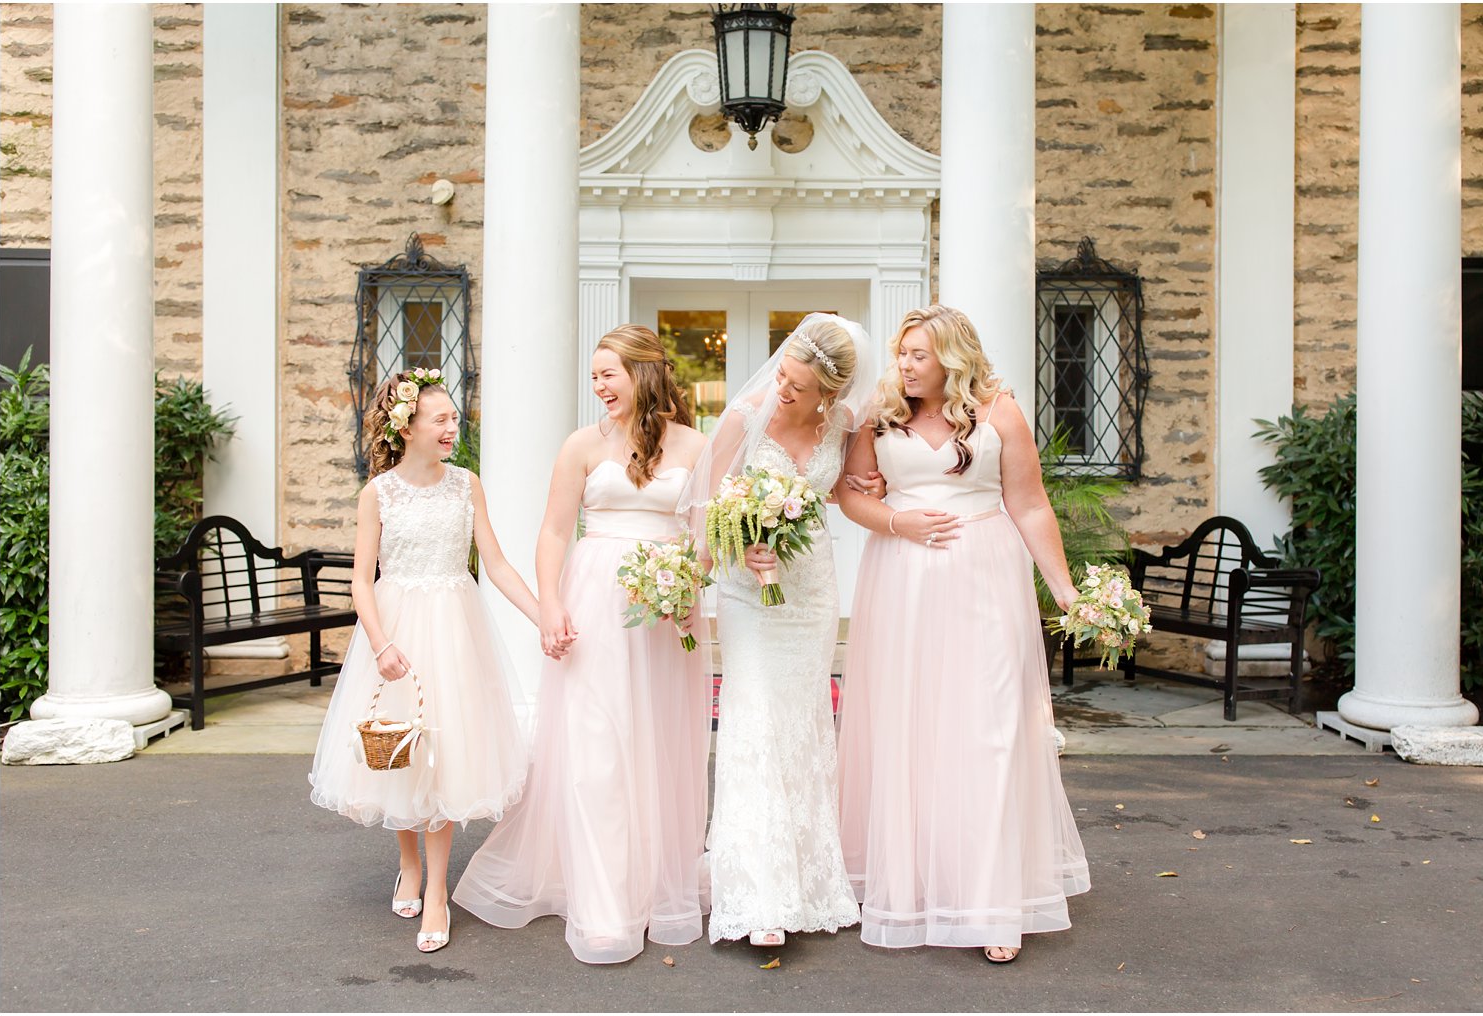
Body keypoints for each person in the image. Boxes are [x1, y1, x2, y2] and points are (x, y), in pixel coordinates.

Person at [835, 305, 1091, 964]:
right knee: (914, 727)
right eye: (902, 354)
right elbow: (849, 494)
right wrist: (898, 522)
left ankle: (993, 900)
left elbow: (1029, 503)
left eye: (918, 354)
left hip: (985, 578)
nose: (906, 365)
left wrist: (1065, 590)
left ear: (952, 356)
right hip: (903, 582)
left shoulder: (999, 411)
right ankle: (915, 881)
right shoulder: (880, 415)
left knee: (992, 727)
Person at [454, 325, 712, 965]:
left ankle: (654, 886)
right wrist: (550, 606)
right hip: (594, 603)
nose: (598, 387)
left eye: (608, 374)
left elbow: (705, 536)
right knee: (597, 750)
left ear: (644, 374)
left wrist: (688, 587)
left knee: (657, 745)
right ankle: (603, 904)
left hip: (664, 610)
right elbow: (551, 534)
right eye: (594, 376)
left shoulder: (698, 447)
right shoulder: (580, 446)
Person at [309, 368, 536, 954]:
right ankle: (407, 860)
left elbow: (497, 563)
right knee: (400, 750)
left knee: (446, 754)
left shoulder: (467, 485)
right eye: (440, 419)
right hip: (396, 628)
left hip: (456, 628)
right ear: (406, 426)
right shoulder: (377, 493)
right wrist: (381, 643)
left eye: (454, 417)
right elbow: (362, 580)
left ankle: (436, 891)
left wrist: (544, 616)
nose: (451, 427)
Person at [680, 313, 877, 949]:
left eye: (797, 385)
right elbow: (708, 512)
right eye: (783, 376)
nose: (782, 391)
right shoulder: (746, 417)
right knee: (755, 720)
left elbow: (848, 491)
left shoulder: (845, 425)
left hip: (810, 592)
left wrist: (872, 484)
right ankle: (755, 892)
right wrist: (738, 553)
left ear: (831, 392)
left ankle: (806, 877)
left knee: (803, 723)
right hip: (748, 595)